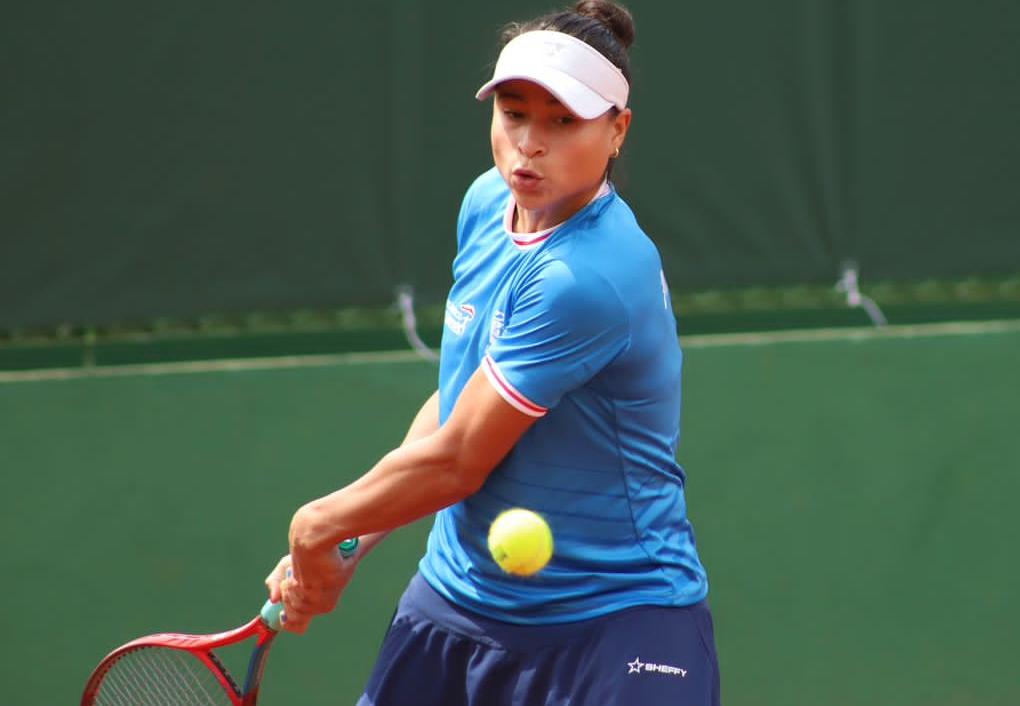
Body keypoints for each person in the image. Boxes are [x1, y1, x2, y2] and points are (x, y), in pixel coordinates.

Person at [263, 2, 719, 703]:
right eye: (514, 113)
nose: (529, 144)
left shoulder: (588, 276)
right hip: (455, 603)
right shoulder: (486, 205)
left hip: (612, 625)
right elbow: (461, 400)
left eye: (563, 121)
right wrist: (355, 537)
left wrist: (318, 526)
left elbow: (458, 462)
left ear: (617, 130)